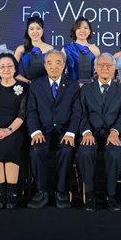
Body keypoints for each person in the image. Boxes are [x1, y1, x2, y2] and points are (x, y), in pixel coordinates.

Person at [26, 50, 81, 209]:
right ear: (45, 65)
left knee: (67, 150)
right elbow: (31, 112)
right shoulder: (36, 85)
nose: (53, 66)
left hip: (64, 131)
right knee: (36, 149)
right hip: (43, 131)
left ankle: (61, 192)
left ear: (64, 65)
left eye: (58, 63)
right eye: (49, 63)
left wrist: (70, 133)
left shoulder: (73, 85)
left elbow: (77, 112)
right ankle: (41, 191)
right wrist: (36, 131)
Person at [77, 53, 121, 211]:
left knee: (114, 152)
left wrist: (115, 131)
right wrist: (86, 132)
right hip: (91, 132)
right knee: (85, 151)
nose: (105, 68)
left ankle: (110, 195)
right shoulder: (86, 89)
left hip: (114, 133)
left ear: (115, 68)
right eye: (101, 65)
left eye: (109, 65)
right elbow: (81, 114)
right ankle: (90, 195)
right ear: (95, 68)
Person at [0, 53, 28, 209]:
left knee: (10, 145)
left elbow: (22, 114)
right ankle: (0, 192)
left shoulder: (23, 88)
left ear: (15, 68)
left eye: (10, 66)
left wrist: (8, 131)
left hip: (15, 129)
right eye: (2, 66)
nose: (6, 69)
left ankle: (11, 192)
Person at [14, 15, 54, 83]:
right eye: (32, 29)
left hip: (45, 86)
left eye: (38, 28)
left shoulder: (50, 49)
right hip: (27, 86)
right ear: (27, 31)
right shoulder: (21, 49)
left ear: (42, 30)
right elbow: (13, 71)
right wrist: (28, 82)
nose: (35, 32)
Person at [61, 17, 101, 82]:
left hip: (90, 86)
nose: (82, 31)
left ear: (90, 31)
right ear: (75, 30)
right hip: (71, 85)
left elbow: (99, 72)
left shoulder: (95, 50)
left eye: (85, 28)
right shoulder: (66, 49)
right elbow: (60, 71)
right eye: (79, 28)